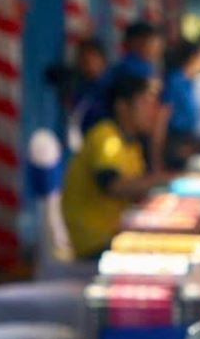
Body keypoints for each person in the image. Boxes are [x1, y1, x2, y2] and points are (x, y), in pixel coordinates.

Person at [61, 73, 172, 259]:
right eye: (145, 103)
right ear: (122, 107)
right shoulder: (105, 136)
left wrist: (156, 140)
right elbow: (114, 185)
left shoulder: (131, 143)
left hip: (116, 234)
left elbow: (142, 190)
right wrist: (169, 181)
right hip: (96, 243)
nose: (153, 111)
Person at [80, 21, 164, 137]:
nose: (157, 48)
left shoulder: (142, 66)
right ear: (137, 42)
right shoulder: (133, 67)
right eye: (153, 42)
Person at [161, 38, 200, 168]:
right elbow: (163, 115)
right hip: (174, 140)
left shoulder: (191, 81)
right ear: (193, 57)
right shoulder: (175, 80)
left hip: (187, 138)